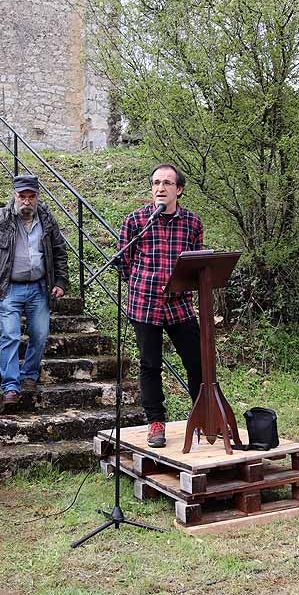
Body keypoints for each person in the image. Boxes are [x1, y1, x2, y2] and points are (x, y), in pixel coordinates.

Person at [118, 163, 205, 448]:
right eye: (156, 183)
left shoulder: (192, 223)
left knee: (197, 362)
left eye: (167, 183)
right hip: (145, 304)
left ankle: (202, 417)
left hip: (179, 306)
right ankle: (155, 422)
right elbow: (125, 264)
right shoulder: (135, 221)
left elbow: (198, 265)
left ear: (179, 190)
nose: (160, 188)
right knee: (150, 365)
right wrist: (145, 285)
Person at [0, 174, 69, 408]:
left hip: (40, 287)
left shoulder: (47, 218)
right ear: (15, 195)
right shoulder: (0, 218)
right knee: (10, 336)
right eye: (22, 196)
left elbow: (59, 251)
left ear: (37, 196)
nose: (27, 201)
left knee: (39, 335)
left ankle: (28, 375)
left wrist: (60, 282)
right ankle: (10, 386)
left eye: (31, 196)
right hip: (9, 288)